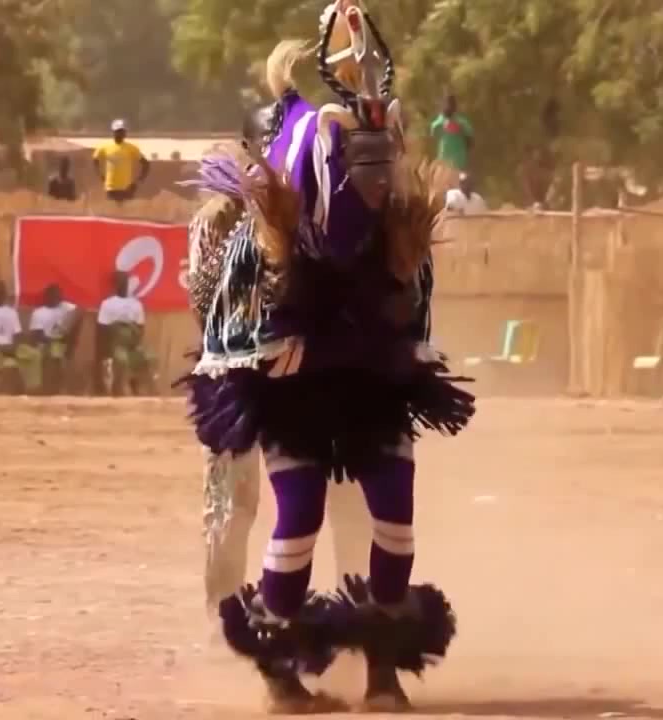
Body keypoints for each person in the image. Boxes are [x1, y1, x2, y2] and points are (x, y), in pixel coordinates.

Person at [181, 1, 473, 711]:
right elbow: (224, 326)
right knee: (277, 513)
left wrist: (393, 345)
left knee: (380, 512)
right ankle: (276, 666)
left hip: (362, 381)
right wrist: (271, 349)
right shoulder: (241, 240)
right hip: (283, 391)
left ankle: (380, 667)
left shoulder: (391, 234)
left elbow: (410, 301)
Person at [187, 100, 374, 625]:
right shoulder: (218, 219)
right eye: (275, 143)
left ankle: (356, 614)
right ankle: (226, 617)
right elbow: (205, 300)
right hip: (236, 379)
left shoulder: (327, 209)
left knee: (347, 498)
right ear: (251, 151)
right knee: (232, 504)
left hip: (316, 378)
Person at [97, 271, 151, 395]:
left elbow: (140, 327)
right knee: (120, 361)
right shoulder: (107, 304)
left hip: (132, 341)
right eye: (120, 282)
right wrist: (106, 349)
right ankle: (116, 392)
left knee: (148, 358)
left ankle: (137, 390)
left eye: (125, 282)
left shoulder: (136, 304)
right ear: (115, 285)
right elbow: (103, 328)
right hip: (115, 341)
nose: (123, 284)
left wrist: (136, 344)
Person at [26, 283, 77, 394]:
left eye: (59, 297)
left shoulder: (66, 308)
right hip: (44, 343)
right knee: (53, 351)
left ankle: (59, 388)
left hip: (61, 344)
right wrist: (54, 340)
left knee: (58, 352)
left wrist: (71, 334)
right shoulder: (38, 313)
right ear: (47, 297)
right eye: (54, 296)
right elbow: (37, 335)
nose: (57, 299)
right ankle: (50, 388)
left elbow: (80, 310)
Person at [92, 119, 150, 202]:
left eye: (123, 131)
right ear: (113, 132)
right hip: (110, 188)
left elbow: (146, 164)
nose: (121, 133)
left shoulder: (131, 148)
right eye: (118, 131)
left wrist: (139, 181)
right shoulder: (104, 147)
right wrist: (100, 174)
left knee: (127, 209)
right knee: (111, 209)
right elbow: (95, 160)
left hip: (127, 188)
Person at [429, 92, 474, 171]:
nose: (448, 107)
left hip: (458, 162)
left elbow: (470, 141)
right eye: (446, 104)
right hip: (444, 162)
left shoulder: (462, 123)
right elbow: (433, 134)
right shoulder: (438, 123)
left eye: (451, 104)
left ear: (455, 107)